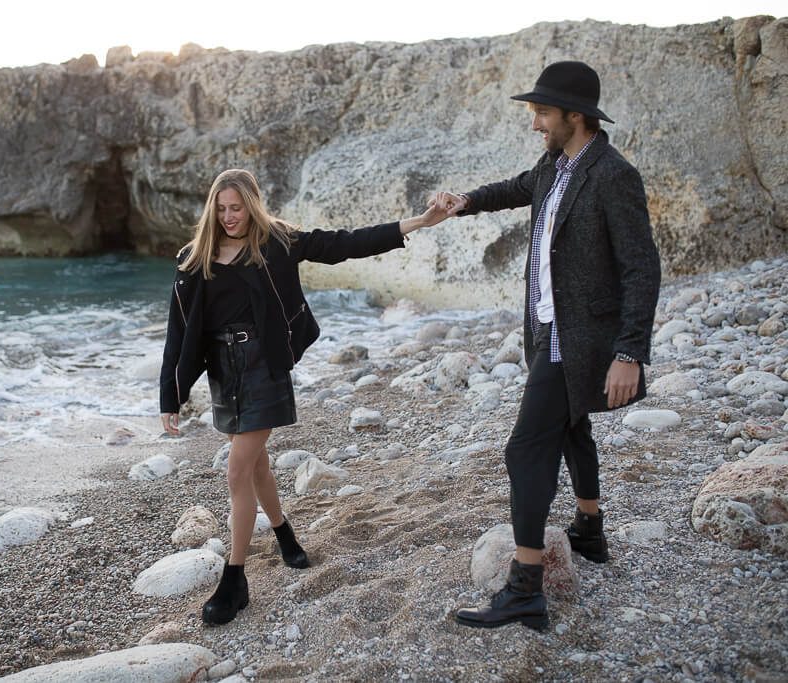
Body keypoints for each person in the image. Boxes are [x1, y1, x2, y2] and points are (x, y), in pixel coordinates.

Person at [160, 168, 451, 625]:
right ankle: (284, 533)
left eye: (236, 208)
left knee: (237, 468)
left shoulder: (276, 243)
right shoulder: (193, 258)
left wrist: (416, 223)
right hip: (224, 372)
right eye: (221, 209)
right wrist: (169, 396)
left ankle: (234, 580)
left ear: (251, 205)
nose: (229, 217)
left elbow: (345, 243)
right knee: (255, 464)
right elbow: (177, 332)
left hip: (263, 366)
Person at [438, 61, 661, 630]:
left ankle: (525, 588)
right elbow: (515, 188)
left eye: (541, 112)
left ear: (574, 116)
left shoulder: (613, 175)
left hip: (580, 340)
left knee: (524, 451)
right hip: (544, 331)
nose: (534, 122)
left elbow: (642, 269)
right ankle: (589, 528)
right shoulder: (554, 165)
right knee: (570, 427)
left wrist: (629, 352)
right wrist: (463, 202)